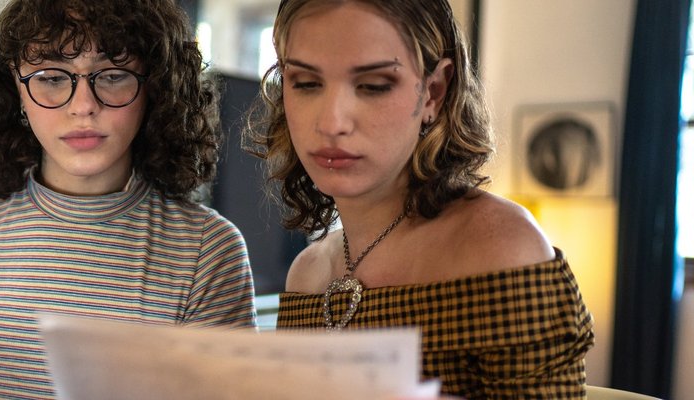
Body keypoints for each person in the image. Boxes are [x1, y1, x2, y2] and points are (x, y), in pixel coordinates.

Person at [0, 0, 257, 398]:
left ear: (155, 89)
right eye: (52, 77)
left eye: (112, 75)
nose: (83, 107)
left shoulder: (208, 250)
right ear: (17, 91)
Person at [247, 0, 594, 398]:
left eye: (373, 85)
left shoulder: (499, 249)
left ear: (433, 92)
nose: (331, 123)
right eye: (306, 83)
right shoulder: (306, 275)